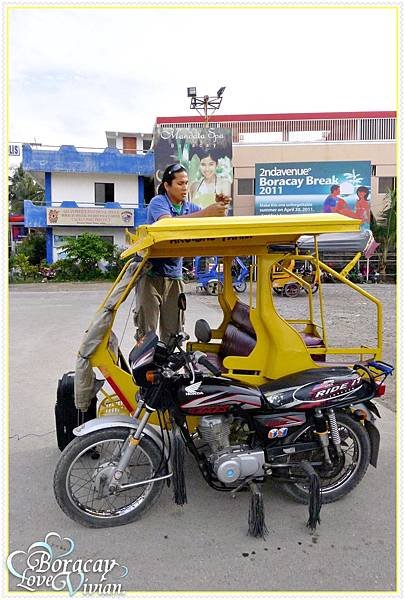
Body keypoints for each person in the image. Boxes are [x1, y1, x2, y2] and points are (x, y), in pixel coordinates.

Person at [134, 163, 230, 344]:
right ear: (166, 186)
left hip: (175, 276)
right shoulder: (158, 202)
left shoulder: (190, 208)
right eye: (180, 183)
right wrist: (206, 213)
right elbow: (167, 224)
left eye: (186, 183)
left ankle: (168, 369)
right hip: (150, 275)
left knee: (174, 332)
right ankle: (146, 369)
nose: (185, 187)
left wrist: (220, 207)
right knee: (147, 332)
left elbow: (209, 220)